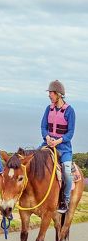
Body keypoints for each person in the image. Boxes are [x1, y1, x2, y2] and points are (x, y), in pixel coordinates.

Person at [42, 80, 76, 214]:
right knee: (32, 162)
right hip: (48, 143)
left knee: (67, 173)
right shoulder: (48, 108)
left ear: (58, 94)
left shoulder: (70, 111)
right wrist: (47, 137)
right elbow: (43, 127)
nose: (49, 95)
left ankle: (65, 200)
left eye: (51, 93)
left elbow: (70, 133)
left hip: (64, 147)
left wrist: (58, 141)